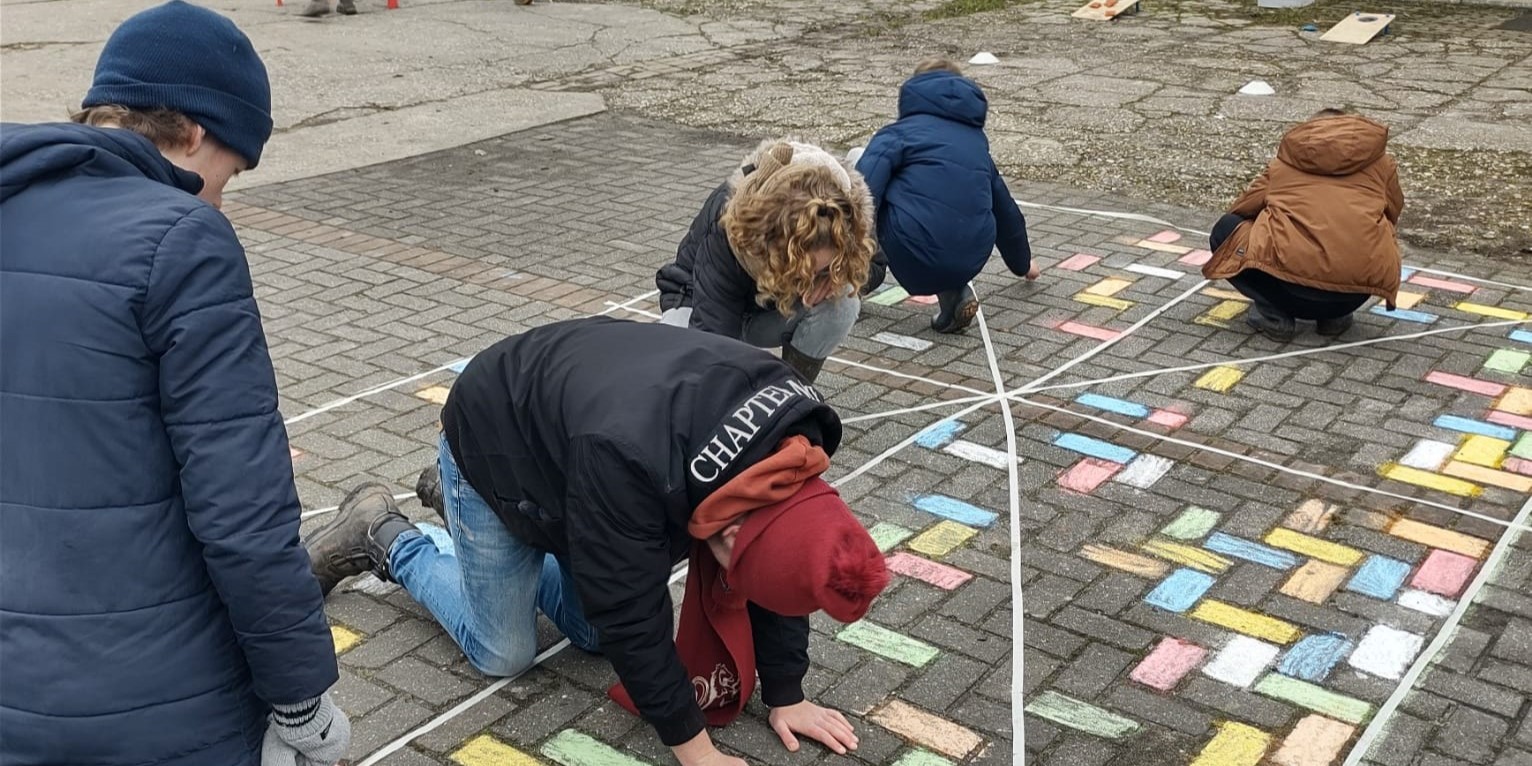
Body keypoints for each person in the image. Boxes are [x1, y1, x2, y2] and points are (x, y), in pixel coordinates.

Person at [0, 3, 349, 765]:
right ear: (192, 132)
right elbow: (241, 516)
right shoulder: (182, 238)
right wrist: (299, 696)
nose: (221, 198)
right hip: (149, 695)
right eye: (230, 172)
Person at [306, 317, 890, 766]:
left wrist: (787, 693)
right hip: (495, 439)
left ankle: (484, 533)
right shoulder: (633, 458)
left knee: (592, 635)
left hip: (574, 461)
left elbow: (786, 562)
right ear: (735, 526)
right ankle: (387, 536)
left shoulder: (789, 454)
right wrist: (696, 750)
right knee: (504, 653)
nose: (729, 580)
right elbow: (629, 614)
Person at [655, 139, 878, 383]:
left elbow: (875, 265)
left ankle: (793, 387)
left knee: (844, 302)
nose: (808, 276)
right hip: (695, 301)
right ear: (774, 239)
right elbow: (713, 338)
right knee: (683, 376)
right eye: (801, 266)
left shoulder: (846, 213)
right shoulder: (729, 223)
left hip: (766, 309)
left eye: (818, 269)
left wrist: (835, 277)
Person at [854, 56, 1038, 335]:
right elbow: (1005, 209)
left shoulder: (897, 135)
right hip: (971, 254)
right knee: (935, 204)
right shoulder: (977, 143)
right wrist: (1023, 263)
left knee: (862, 172)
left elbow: (862, 194)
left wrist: (839, 250)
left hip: (914, 248)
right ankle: (954, 292)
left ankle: (855, 282)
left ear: (913, 94)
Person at [1203, 109, 1404, 342]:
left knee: (1227, 229)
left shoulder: (1284, 164)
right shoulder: (1383, 166)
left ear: (1308, 132)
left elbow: (1241, 208)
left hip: (1288, 292)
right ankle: (1334, 319)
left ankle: (1273, 315)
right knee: (1381, 233)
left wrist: (1274, 218)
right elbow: (1394, 211)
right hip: (1353, 295)